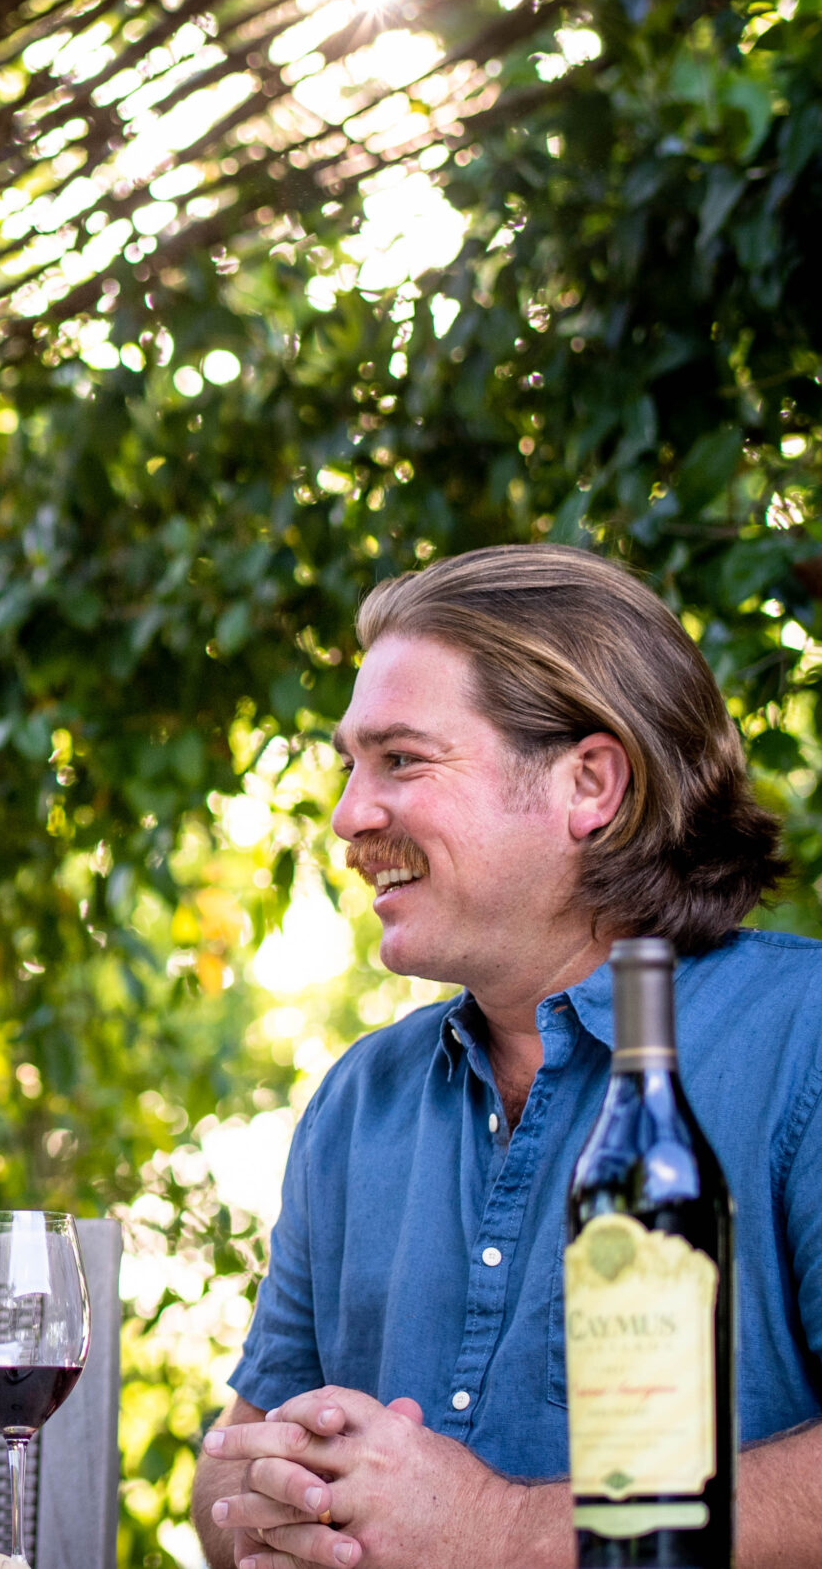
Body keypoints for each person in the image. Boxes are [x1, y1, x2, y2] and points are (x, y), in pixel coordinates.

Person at [192, 544, 822, 1569]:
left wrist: (505, 1532)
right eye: (351, 766)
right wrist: (278, 1504)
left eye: (400, 759)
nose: (350, 816)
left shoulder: (804, 1037)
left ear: (589, 782)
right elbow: (225, 1475)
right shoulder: (360, 1101)